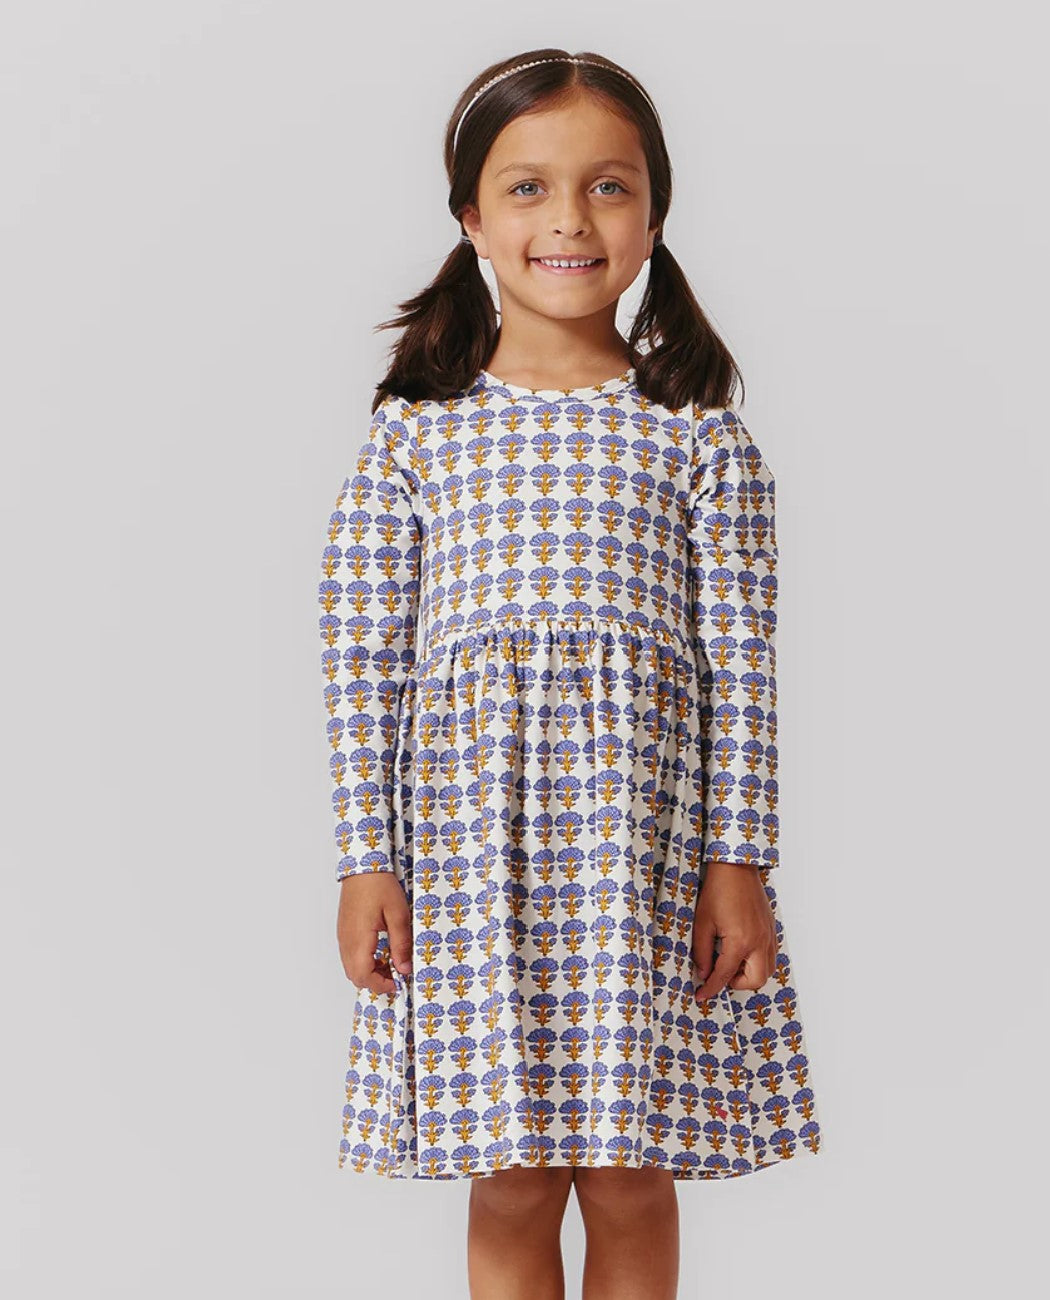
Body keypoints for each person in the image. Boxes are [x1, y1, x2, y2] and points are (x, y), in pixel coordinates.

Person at [317, 47, 823, 1300]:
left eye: (608, 187)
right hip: (469, 857)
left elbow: (743, 666)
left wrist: (739, 862)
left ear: (652, 213)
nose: (570, 220)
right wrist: (367, 859)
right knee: (513, 1174)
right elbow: (361, 657)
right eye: (529, 188)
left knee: (630, 1172)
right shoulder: (415, 436)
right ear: (471, 217)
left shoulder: (698, 433)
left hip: (643, 854)